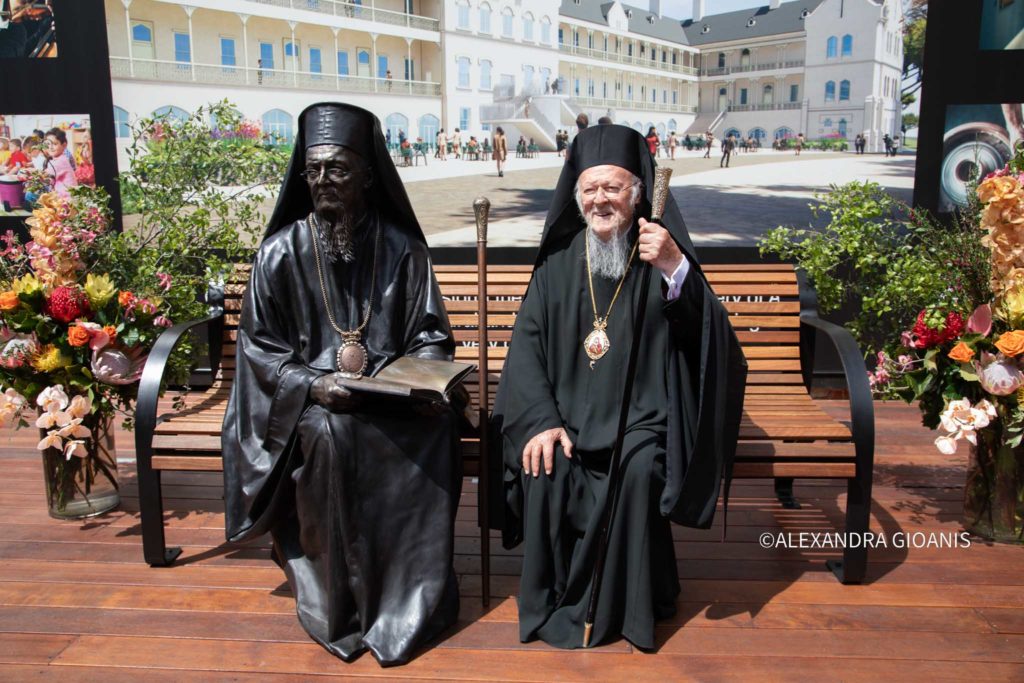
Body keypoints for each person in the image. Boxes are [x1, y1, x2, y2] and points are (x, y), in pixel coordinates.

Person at [222, 102, 462, 666]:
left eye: (338, 170)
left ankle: (411, 598)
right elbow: (259, 349)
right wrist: (312, 382)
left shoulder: (404, 250)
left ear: (368, 177)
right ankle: (341, 605)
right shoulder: (280, 252)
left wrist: (420, 378)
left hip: (389, 395)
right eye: (314, 171)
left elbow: (429, 336)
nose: (324, 182)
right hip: (312, 400)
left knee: (434, 428)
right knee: (332, 436)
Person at [491, 123, 746, 651]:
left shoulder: (660, 255)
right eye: (590, 188)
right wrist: (540, 420)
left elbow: (710, 338)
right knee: (543, 462)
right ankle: (555, 599)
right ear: (575, 195)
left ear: (638, 193)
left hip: (642, 419)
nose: (601, 199)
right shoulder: (557, 266)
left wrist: (676, 269)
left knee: (637, 470)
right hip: (563, 419)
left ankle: (627, 609)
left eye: (614, 187)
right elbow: (526, 352)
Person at [43, 128, 77, 197]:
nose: (51, 147)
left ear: (64, 145)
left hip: (67, 200)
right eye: (48, 144)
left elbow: (45, 176)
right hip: (61, 197)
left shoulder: (61, 161)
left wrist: (31, 174)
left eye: (55, 144)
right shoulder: (56, 159)